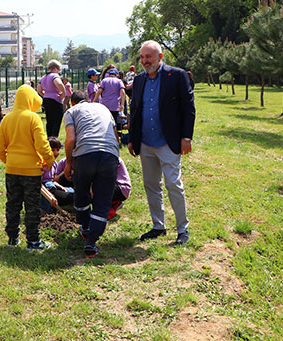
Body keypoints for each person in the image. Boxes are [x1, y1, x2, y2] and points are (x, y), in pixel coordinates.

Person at [128, 40, 195, 245]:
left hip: (169, 141)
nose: (145, 61)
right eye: (142, 57)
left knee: (173, 184)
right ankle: (158, 226)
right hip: (146, 143)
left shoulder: (176, 76)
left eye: (149, 56)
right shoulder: (139, 80)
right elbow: (135, 110)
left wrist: (186, 137)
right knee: (151, 185)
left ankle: (183, 229)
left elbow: (188, 108)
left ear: (160, 57)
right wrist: (132, 139)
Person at [0, 85, 55, 250]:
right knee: (32, 206)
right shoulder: (33, 118)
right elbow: (42, 145)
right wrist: (48, 162)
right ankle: (33, 241)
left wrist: (9, 161)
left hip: (12, 170)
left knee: (12, 204)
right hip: (31, 171)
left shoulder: (7, 119)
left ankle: (13, 239)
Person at [62, 91, 120, 258]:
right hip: (110, 155)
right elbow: (115, 137)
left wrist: (69, 163)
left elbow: (71, 139)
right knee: (102, 200)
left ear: (73, 102)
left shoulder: (71, 112)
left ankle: (85, 227)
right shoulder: (103, 108)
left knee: (81, 191)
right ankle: (91, 242)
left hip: (84, 155)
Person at [39, 137, 74, 213]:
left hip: (53, 185)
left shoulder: (54, 163)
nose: (56, 153)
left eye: (58, 150)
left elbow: (54, 179)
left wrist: (61, 187)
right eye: (52, 150)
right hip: (46, 187)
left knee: (73, 191)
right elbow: (39, 182)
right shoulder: (42, 163)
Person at [37, 60, 66, 137]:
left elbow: (39, 90)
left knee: (49, 120)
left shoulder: (43, 78)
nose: (59, 72)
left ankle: (49, 137)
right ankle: (55, 138)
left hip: (46, 99)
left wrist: (45, 95)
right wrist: (63, 93)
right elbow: (59, 84)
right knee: (57, 120)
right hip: (55, 100)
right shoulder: (54, 76)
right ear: (55, 69)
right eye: (59, 70)